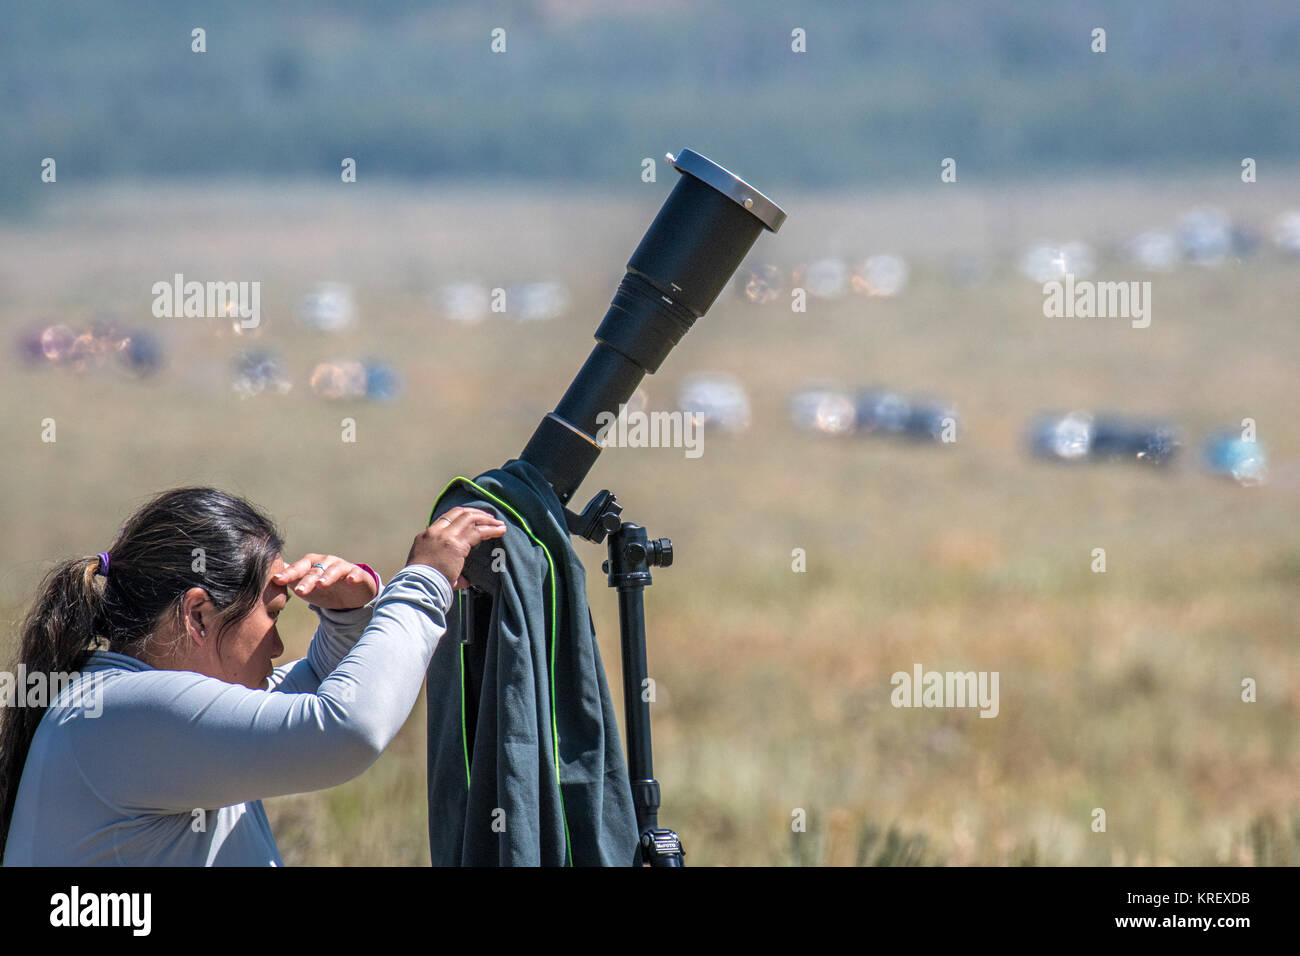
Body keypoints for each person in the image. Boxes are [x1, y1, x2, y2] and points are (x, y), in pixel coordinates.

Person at [0, 486, 506, 865]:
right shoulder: (121, 713)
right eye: (275, 616)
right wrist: (424, 581)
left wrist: (349, 617)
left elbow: (313, 697)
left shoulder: (114, 705)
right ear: (198, 615)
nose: (280, 647)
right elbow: (345, 729)